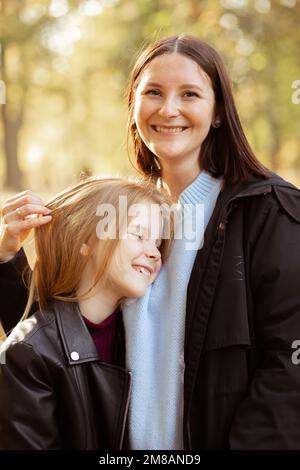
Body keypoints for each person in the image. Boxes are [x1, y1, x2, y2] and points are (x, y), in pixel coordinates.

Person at [1, 34, 300, 450]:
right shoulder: (124, 213)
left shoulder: (269, 211)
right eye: (153, 92)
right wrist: (8, 261)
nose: (168, 109)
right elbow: (66, 344)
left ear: (217, 112)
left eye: (190, 94)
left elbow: (289, 367)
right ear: (134, 105)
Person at [0, 176, 173, 449]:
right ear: (85, 241)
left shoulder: (141, 339)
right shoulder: (29, 354)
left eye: (158, 243)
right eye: (139, 235)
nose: (154, 253)